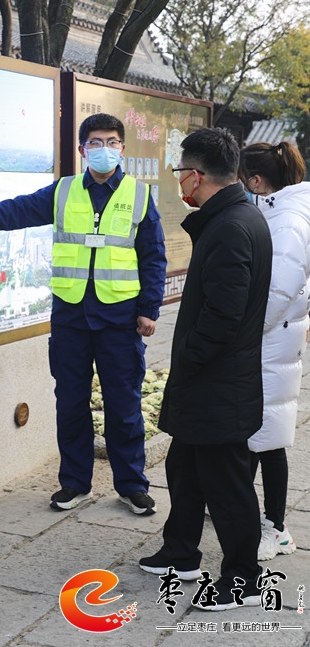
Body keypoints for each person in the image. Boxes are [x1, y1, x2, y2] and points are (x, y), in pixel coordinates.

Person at [0, 113, 167, 515]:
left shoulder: (139, 196)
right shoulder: (64, 191)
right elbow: (17, 211)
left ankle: (132, 485)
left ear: (122, 148)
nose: (104, 149)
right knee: (70, 403)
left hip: (120, 318)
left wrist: (148, 310)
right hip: (71, 316)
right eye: (96, 142)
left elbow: (153, 257)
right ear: (82, 149)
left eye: (111, 142)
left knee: (123, 406)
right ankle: (74, 483)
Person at [139, 127, 272, 611]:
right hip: (212, 381)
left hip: (219, 384)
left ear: (195, 176)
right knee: (185, 468)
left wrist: (189, 357)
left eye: (180, 172)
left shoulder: (232, 227)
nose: (179, 182)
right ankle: (180, 553)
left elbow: (222, 316)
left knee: (228, 486)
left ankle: (243, 580)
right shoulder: (233, 217)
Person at [238, 141, 310, 560]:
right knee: (257, 434)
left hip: (270, 343)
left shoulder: (287, 220)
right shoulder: (279, 211)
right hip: (270, 342)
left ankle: (276, 528)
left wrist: (241, 331)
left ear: (255, 181)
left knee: (268, 439)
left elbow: (277, 293)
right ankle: (243, 509)